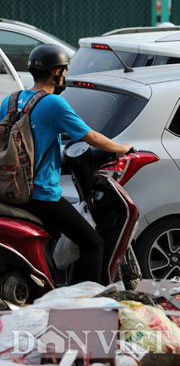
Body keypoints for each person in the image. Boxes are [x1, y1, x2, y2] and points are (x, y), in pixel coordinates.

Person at [0, 44, 131, 284]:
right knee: (92, 242)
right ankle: (86, 300)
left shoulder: (11, 100)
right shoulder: (53, 104)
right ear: (56, 72)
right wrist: (123, 148)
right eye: (64, 71)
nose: (64, 77)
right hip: (40, 195)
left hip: (9, 189)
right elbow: (90, 137)